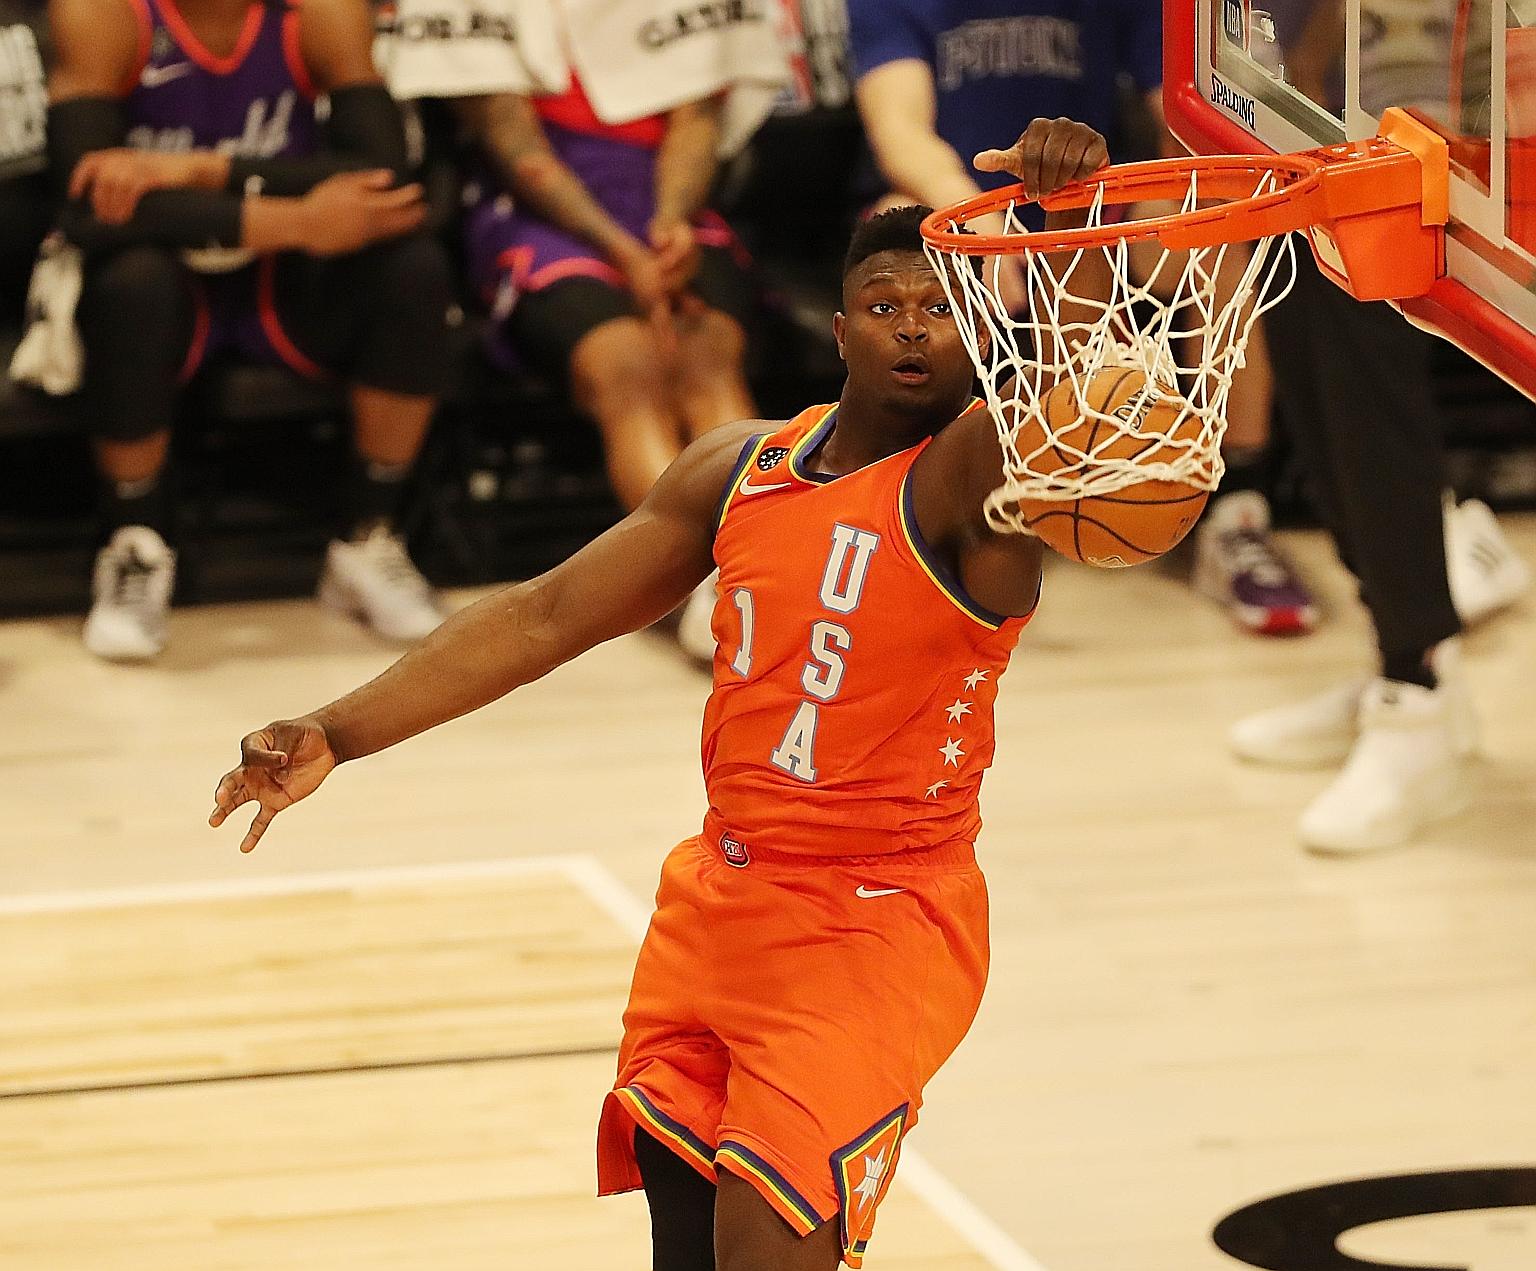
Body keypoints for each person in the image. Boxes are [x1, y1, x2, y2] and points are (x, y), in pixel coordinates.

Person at [211, 116, 1107, 1271]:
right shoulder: (738, 467)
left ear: (984, 333)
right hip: (719, 903)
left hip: (875, 920)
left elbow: (1085, 427)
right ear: (837, 328)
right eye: (888, 304)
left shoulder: (971, 477)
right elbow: (542, 616)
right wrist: (342, 726)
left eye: (944, 308)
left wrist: (1073, 229)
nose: (916, 328)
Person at [846, 0, 1319, 636]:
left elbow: (1181, 108)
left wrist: (1191, 173)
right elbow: (900, 130)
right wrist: (982, 221)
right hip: (959, 207)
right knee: (897, 236)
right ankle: (894, 517)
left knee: (1209, 235)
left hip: (1090, 204)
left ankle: (1238, 510)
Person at [48, 0, 452, 662]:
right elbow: (86, 203)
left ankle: (366, 535)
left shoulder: (318, 13)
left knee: (412, 265)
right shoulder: (105, 14)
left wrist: (200, 171)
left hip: (284, 285)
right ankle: (134, 542)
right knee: (131, 281)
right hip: (169, 275)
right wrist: (292, 220)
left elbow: (384, 177)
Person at [1231, 0, 1530, 853]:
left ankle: (1417, 681)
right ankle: (1406, 666)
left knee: (1362, 331)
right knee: (1304, 279)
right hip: (1387, 134)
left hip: (1482, 146)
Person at [458, 73, 760, 661]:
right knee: (626, 361)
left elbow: (697, 120)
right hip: (540, 211)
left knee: (707, 351)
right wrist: (625, 253)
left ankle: (753, 566)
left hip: (672, 202)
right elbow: (512, 142)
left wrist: (670, 223)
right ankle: (700, 582)